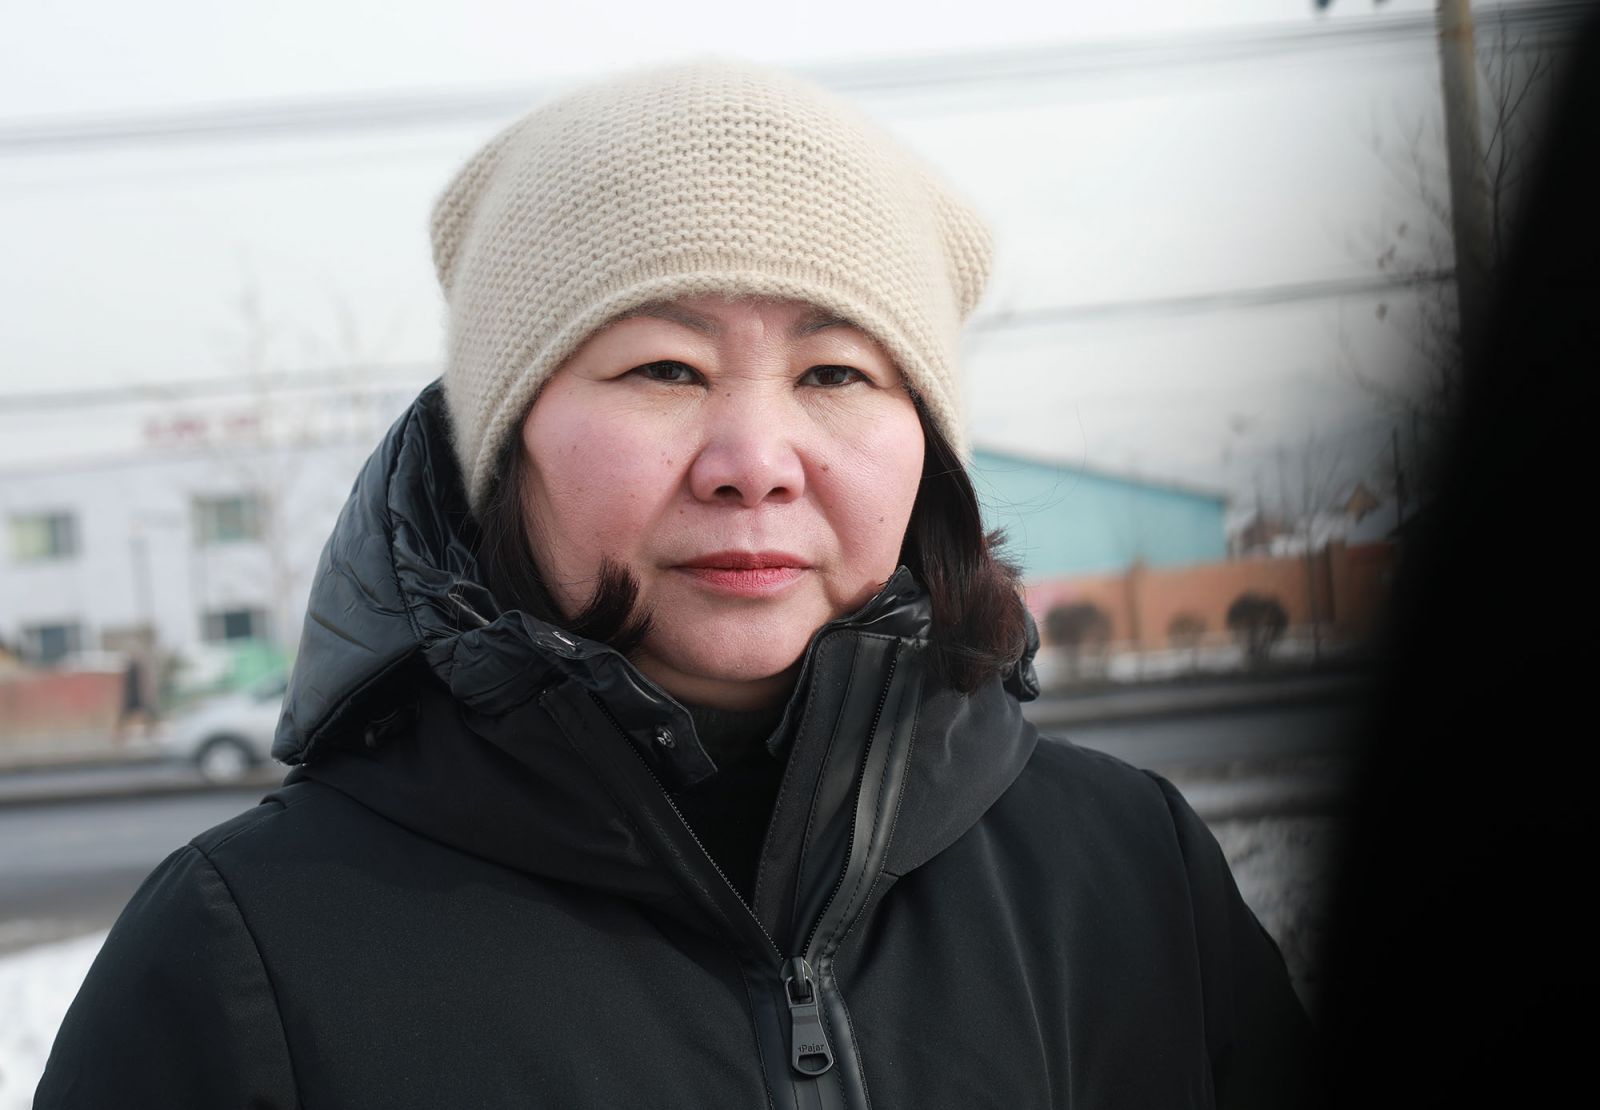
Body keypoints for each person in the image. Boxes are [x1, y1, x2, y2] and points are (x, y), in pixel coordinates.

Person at [37, 61, 1315, 1108]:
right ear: (505, 447)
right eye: (663, 368)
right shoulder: (247, 953)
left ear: (925, 447)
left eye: (835, 374)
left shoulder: (1128, 874)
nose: (754, 462)